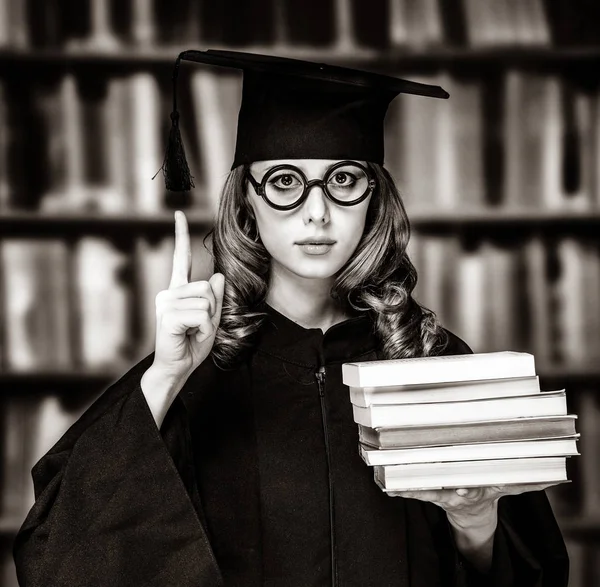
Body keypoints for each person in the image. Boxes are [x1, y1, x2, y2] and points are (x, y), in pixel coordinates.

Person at [13, 50, 568, 587]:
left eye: (344, 179)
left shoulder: (430, 357)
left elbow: (529, 574)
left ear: (374, 198)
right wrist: (163, 379)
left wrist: (474, 520)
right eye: (284, 182)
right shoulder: (195, 368)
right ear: (245, 203)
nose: (317, 211)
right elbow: (55, 555)